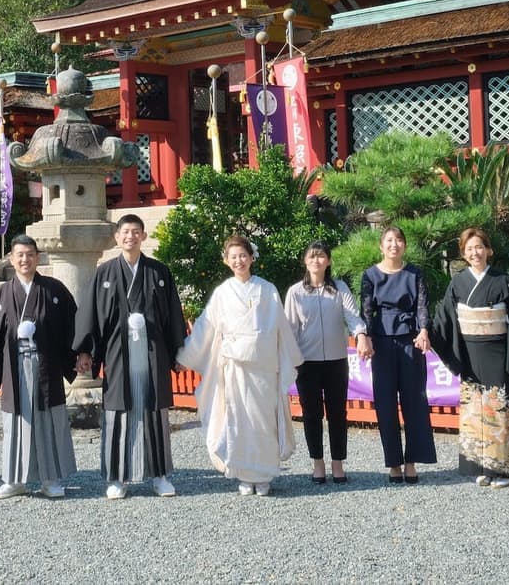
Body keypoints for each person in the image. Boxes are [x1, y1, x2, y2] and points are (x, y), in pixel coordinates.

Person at [73, 214, 187, 500]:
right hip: (118, 351)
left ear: (143, 237)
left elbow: (173, 315)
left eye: (136, 232)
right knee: (118, 412)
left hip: (153, 352)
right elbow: (89, 312)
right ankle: (117, 477)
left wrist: (178, 350)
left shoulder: (159, 272)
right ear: (117, 237)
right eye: (125, 232)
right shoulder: (105, 273)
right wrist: (85, 350)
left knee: (154, 412)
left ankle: (160, 475)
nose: (130, 237)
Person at [177, 235, 302, 496]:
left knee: (263, 419)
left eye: (242, 255)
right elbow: (206, 327)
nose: (239, 261)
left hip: (263, 366)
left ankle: (264, 473)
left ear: (251, 257)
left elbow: (280, 327)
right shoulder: (222, 293)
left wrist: (290, 358)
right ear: (226, 261)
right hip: (234, 368)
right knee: (238, 419)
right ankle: (244, 474)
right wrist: (185, 355)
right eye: (233, 257)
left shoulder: (267, 289)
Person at [0, 235, 78, 500]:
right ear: (11, 258)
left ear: (38, 258)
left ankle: (50, 479)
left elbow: (72, 326)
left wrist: (80, 354)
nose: (25, 259)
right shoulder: (1, 293)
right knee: (16, 421)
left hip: (47, 366)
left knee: (47, 420)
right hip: (14, 365)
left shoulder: (54, 290)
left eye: (30, 254)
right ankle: (14, 479)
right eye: (19, 254)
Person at [430, 227, 509, 488]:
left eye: (479, 247)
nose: (475, 252)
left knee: (498, 407)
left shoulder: (503, 280)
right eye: (469, 248)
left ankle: (504, 470)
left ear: (489, 250)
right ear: (464, 253)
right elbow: (444, 318)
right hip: (470, 351)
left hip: (497, 350)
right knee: (474, 409)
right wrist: (427, 332)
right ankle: (481, 466)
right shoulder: (458, 282)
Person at [284, 241, 368, 484]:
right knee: (311, 414)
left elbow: (352, 316)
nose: (316, 261)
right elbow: (289, 329)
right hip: (306, 363)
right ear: (305, 261)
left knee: (337, 413)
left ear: (328, 261)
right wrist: (289, 358)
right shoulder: (295, 292)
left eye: (321, 256)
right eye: (312, 256)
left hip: (336, 360)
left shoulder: (339, 288)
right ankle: (317, 463)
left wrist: (361, 335)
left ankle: (338, 463)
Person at [359, 226, 436, 484]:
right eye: (389, 241)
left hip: (410, 339)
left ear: (404, 245)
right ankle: (393, 462)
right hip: (381, 341)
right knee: (385, 402)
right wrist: (366, 336)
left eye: (399, 240)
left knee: (414, 400)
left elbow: (423, 304)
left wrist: (424, 329)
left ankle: (412, 461)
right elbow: (367, 309)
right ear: (381, 246)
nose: (394, 245)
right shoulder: (370, 275)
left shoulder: (414, 273)